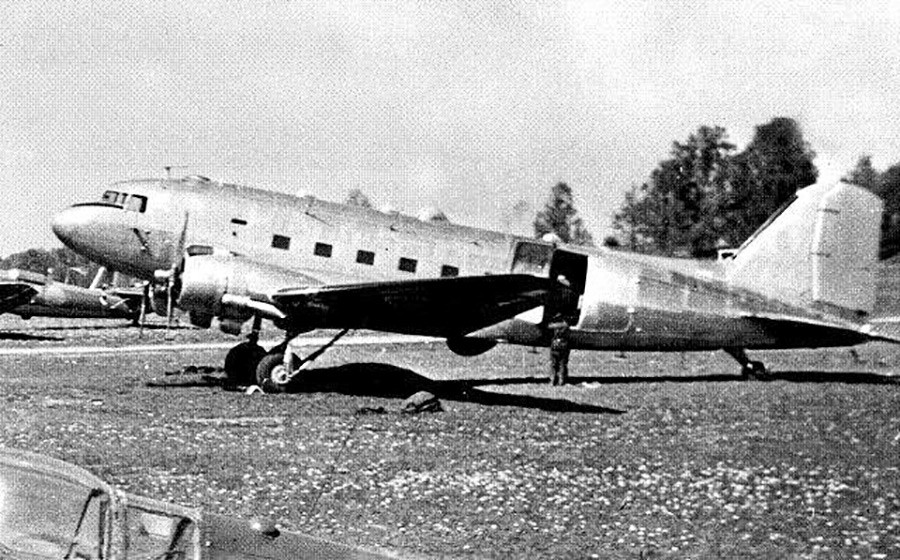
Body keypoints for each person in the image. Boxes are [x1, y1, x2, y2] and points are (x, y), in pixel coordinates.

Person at [547, 313, 571, 386]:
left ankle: (552, 381)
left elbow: (548, 326)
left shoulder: (554, 325)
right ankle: (561, 381)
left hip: (555, 345)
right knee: (562, 364)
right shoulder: (566, 325)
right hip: (564, 345)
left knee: (553, 364)